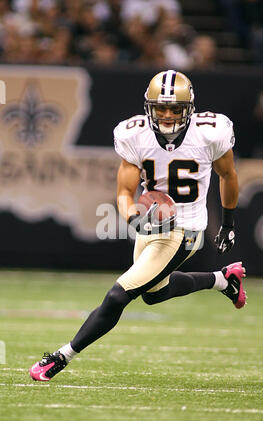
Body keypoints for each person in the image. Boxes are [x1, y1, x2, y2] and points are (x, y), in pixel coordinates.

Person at [29, 69, 247, 382]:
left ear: (190, 110)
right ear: (149, 108)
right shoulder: (134, 134)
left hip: (186, 229)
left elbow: (228, 175)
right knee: (154, 294)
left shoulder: (211, 132)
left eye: (176, 109)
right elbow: (123, 192)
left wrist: (228, 222)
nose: (169, 115)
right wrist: (132, 214)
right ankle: (224, 280)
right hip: (152, 224)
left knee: (120, 295)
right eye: (161, 108)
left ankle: (61, 357)